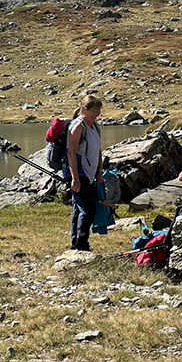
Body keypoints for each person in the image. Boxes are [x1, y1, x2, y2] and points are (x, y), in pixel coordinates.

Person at [67, 94, 104, 251]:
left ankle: (76, 243)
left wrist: (99, 170)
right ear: (84, 109)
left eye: (98, 111)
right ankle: (82, 244)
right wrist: (75, 178)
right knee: (88, 209)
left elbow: (98, 150)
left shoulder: (94, 126)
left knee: (79, 208)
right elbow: (71, 153)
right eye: (94, 111)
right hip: (79, 172)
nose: (97, 114)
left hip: (89, 173)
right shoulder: (77, 126)